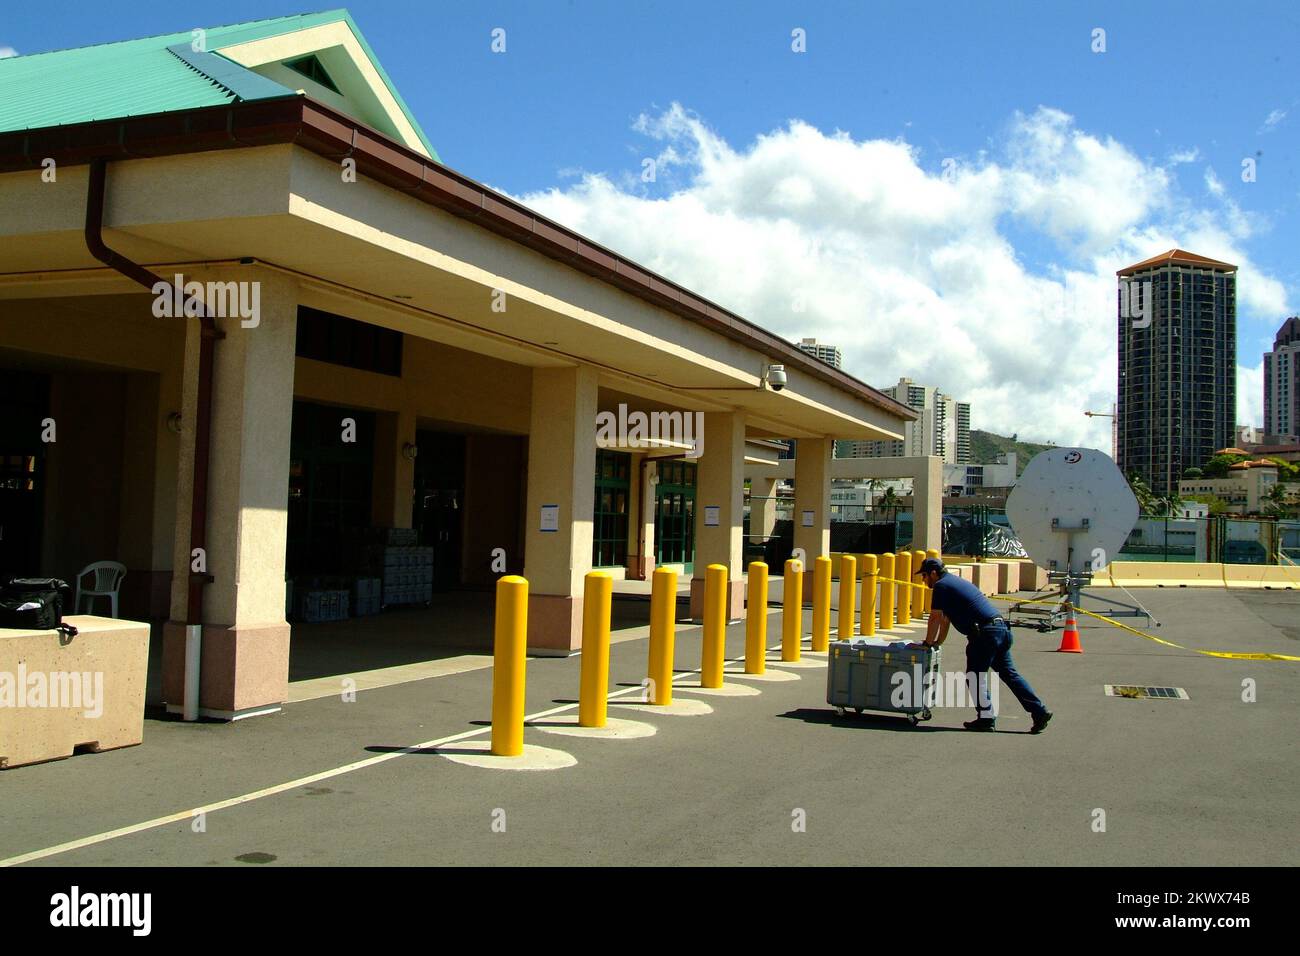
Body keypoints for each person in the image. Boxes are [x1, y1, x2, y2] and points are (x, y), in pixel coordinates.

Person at [912, 557, 1052, 733]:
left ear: (933, 573)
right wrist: (937, 642)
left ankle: (986, 717)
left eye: (924, 575)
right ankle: (1039, 711)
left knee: (975, 676)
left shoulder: (941, 586)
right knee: (1009, 674)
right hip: (1000, 629)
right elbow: (945, 620)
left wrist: (926, 643)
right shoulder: (954, 583)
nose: (924, 580)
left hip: (985, 634)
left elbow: (935, 617)